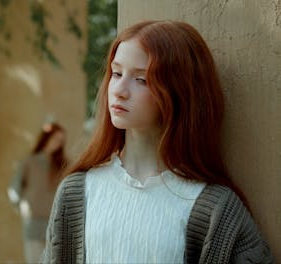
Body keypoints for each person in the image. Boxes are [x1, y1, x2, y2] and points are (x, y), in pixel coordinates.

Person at [41, 20, 274, 263]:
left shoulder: (215, 209)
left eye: (141, 79)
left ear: (179, 92)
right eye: (117, 73)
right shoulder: (77, 192)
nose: (119, 90)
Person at [8, 123, 67, 263]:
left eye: (61, 140)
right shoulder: (29, 162)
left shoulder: (64, 165)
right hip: (33, 224)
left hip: (57, 225)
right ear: (46, 138)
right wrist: (21, 207)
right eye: (55, 138)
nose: (57, 143)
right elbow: (14, 189)